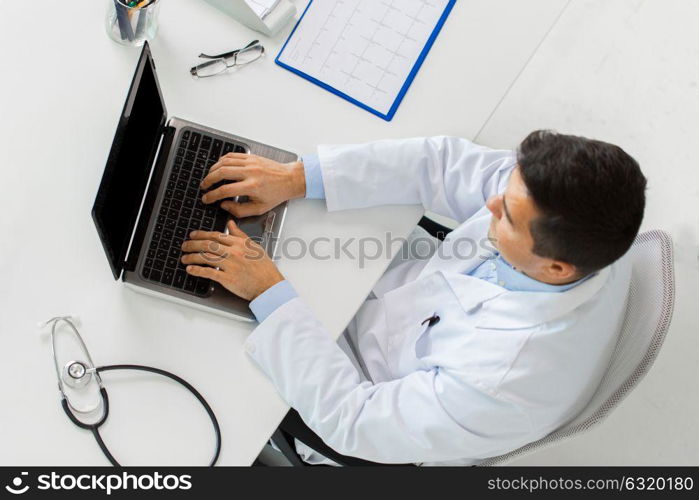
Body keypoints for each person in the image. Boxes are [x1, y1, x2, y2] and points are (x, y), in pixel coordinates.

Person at [180, 130, 647, 465]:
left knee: (181, 336)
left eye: (505, 215)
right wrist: (297, 178)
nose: (490, 202)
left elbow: (353, 421)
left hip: (349, 386)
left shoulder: (502, 382)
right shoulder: (586, 216)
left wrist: (267, 292)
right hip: (373, 292)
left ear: (556, 268)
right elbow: (441, 165)